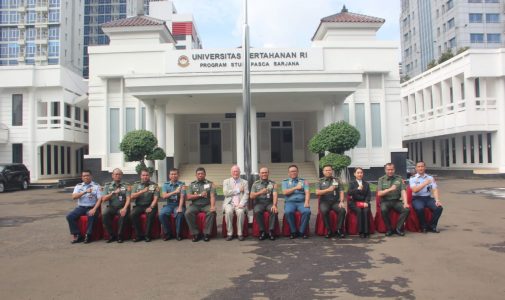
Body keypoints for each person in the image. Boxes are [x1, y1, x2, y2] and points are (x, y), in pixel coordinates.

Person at [66, 170, 102, 244]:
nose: (86, 177)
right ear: (82, 177)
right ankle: (78, 235)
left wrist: (94, 209)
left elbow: (100, 199)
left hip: (92, 207)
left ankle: (88, 235)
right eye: (84, 176)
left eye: (87, 175)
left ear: (91, 176)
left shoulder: (96, 186)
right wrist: (85, 192)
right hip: (81, 207)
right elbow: (74, 197)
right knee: (69, 216)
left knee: (90, 214)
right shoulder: (78, 186)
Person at [409, 161, 443, 233]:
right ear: (416, 168)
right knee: (419, 208)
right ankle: (423, 226)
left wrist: (437, 200)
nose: (421, 168)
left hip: (428, 198)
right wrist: (425, 183)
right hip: (417, 198)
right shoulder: (413, 178)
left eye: (422, 166)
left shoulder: (430, 178)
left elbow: (435, 189)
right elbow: (415, 190)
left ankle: (432, 226)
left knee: (439, 208)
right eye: (419, 166)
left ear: (425, 167)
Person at [377, 163, 410, 237]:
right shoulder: (381, 179)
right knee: (383, 210)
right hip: (385, 201)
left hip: (396, 201)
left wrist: (405, 203)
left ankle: (398, 228)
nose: (390, 171)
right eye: (388, 169)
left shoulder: (399, 179)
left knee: (406, 209)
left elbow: (403, 191)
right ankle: (389, 229)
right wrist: (390, 189)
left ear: (394, 170)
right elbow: (379, 194)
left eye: (392, 169)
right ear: (385, 170)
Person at [185, 167, 217, 242]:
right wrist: (200, 195)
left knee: (212, 212)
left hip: (206, 205)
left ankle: (206, 233)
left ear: (205, 174)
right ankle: (195, 233)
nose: (200, 175)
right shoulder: (192, 185)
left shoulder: (210, 184)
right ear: (196, 175)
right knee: (187, 212)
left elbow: (212, 196)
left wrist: (212, 206)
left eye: (202, 173)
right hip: (195, 205)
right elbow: (188, 197)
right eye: (198, 174)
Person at [315, 165, 346, 238]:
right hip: (324, 202)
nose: (328, 171)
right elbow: (317, 192)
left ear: (332, 171)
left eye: (330, 170)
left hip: (335, 202)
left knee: (342, 210)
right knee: (324, 211)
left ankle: (339, 229)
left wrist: (341, 201)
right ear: (323, 172)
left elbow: (341, 191)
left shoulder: (337, 180)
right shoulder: (319, 181)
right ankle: (329, 230)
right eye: (326, 170)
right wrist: (328, 190)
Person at [101, 168, 131, 243]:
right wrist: (113, 193)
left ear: (121, 175)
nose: (118, 176)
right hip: (112, 207)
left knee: (122, 215)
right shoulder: (107, 186)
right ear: (112, 176)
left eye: (119, 174)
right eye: (116, 174)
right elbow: (104, 199)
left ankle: (120, 236)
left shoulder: (126, 185)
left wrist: (124, 208)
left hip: (122, 206)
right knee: (105, 214)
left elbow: (128, 198)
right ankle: (111, 235)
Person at [130, 169, 160, 242]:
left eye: (147, 175)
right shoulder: (136, 185)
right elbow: (132, 196)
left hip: (150, 205)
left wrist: (151, 207)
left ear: (149, 176)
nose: (145, 177)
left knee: (149, 214)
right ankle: (139, 235)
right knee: (132, 214)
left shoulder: (154, 185)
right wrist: (142, 191)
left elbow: (156, 198)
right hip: (139, 206)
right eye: (143, 175)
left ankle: (147, 235)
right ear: (140, 176)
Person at [282, 165, 311, 239]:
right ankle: (293, 231)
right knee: (288, 212)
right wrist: (296, 188)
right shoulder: (285, 182)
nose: (293, 172)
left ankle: (302, 231)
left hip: (301, 202)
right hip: (290, 202)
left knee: (307, 211)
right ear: (288, 173)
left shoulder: (304, 181)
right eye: (291, 171)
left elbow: (307, 192)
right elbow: (285, 192)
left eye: (295, 171)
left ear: (297, 172)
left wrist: (307, 202)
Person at [250, 167, 278, 241]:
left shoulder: (273, 183)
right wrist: (260, 192)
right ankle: (262, 231)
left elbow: (275, 194)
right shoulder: (255, 184)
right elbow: (251, 196)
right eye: (262, 173)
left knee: (273, 210)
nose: (264, 174)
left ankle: (271, 231)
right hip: (259, 203)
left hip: (269, 203)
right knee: (257, 211)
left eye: (266, 172)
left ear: (268, 173)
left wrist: (274, 205)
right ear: (259, 174)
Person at [222, 165, 249, 241]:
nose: (235, 173)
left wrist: (241, 204)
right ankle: (229, 233)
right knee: (228, 211)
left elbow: (246, 194)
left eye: (237, 171)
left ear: (239, 172)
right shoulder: (226, 181)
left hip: (240, 203)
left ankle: (240, 233)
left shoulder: (244, 182)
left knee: (240, 212)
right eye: (234, 171)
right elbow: (226, 193)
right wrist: (238, 190)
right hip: (229, 203)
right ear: (231, 172)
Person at [159, 168, 186, 241]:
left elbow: (182, 197)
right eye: (172, 174)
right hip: (169, 205)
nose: (174, 175)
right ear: (169, 176)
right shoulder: (165, 185)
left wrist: (180, 207)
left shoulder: (182, 184)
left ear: (178, 175)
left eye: (175, 174)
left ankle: (178, 234)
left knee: (179, 214)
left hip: (178, 204)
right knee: (162, 214)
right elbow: (164, 196)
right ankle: (168, 233)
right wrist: (175, 192)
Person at [348, 167, 372, 238]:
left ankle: (366, 231)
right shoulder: (352, 183)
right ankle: (361, 231)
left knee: (365, 211)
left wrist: (366, 202)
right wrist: (357, 189)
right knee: (359, 211)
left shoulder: (366, 184)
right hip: (354, 203)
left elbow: (368, 195)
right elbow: (349, 193)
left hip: (364, 203)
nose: (360, 174)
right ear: (354, 174)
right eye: (358, 173)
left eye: (361, 173)